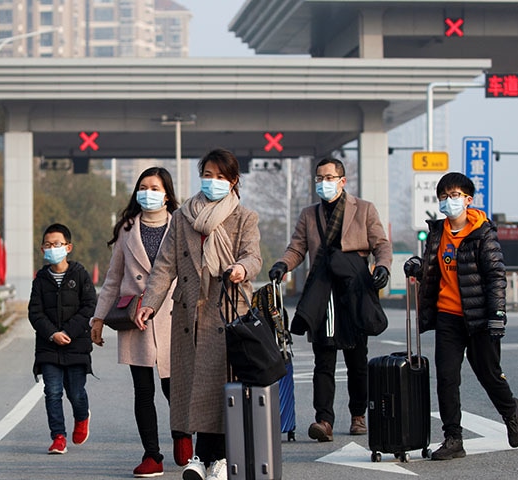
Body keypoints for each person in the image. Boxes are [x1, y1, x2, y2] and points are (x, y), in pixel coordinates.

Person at [135, 148, 261, 480]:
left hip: (227, 311)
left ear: (233, 181)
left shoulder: (244, 217)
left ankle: (211, 458)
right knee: (194, 387)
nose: (213, 182)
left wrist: (240, 268)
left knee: (219, 384)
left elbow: (254, 257)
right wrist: (150, 302)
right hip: (189, 314)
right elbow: (165, 265)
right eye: (207, 174)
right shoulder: (183, 217)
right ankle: (206, 459)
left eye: (221, 177)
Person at [403, 171, 518, 460]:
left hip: (480, 316)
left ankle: (510, 411)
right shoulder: (438, 232)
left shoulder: (484, 233)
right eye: (443, 196)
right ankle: (453, 438)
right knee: (446, 377)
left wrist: (497, 314)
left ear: (468, 199)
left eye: (454, 195)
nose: (449, 201)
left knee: (489, 374)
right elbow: (433, 269)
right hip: (448, 316)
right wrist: (417, 267)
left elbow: (496, 275)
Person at [268, 157, 392, 443]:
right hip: (322, 291)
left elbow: (381, 245)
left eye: (329, 177)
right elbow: (297, 248)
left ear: (342, 180)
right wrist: (283, 265)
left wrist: (383, 267)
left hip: (355, 289)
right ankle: (323, 420)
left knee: (357, 359)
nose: (323, 182)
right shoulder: (309, 214)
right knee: (323, 360)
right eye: (319, 178)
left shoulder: (364, 209)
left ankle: (358, 414)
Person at [91, 167, 192, 477]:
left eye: (155, 187)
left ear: (167, 194)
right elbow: (113, 277)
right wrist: (98, 317)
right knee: (142, 390)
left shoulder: (182, 224)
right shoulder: (126, 229)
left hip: (173, 314)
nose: (148, 192)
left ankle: (182, 435)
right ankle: (152, 455)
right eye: (143, 186)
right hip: (135, 317)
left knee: (174, 386)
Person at [28, 223, 97, 454]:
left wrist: (68, 332)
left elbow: (89, 306)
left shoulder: (80, 274)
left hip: (76, 344)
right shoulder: (40, 279)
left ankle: (81, 416)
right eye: (48, 245)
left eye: (57, 244)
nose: (52, 248)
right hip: (48, 347)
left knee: (76, 393)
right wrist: (52, 334)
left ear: (68, 247)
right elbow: (34, 312)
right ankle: (58, 436)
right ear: (42, 249)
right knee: (53, 392)